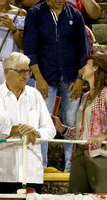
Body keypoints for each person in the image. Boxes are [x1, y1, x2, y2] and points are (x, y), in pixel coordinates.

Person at [24, 0, 88, 172]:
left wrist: (80, 78)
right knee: (43, 122)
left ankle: (71, 168)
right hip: (45, 76)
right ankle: (41, 167)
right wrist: (38, 77)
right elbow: (30, 48)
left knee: (71, 121)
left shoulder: (75, 14)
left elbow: (84, 50)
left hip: (71, 78)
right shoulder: (35, 13)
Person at [0, 52, 56, 194]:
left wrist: (36, 132)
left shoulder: (35, 95)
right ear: (6, 72)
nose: (25, 76)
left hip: (32, 172)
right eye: (20, 71)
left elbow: (50, 129)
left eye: (27, 71)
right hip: (3, 172)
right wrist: (15, 129)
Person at [52, 51, 107, 193]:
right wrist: (62, 128)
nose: (82, 68)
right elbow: (81, 132)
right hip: (79, 155)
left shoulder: (105, 94)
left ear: (96, 68)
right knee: (75, 195)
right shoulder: (85, 97)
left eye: (87, 64)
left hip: (100, 155)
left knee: (102, 194)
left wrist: (103, 136)